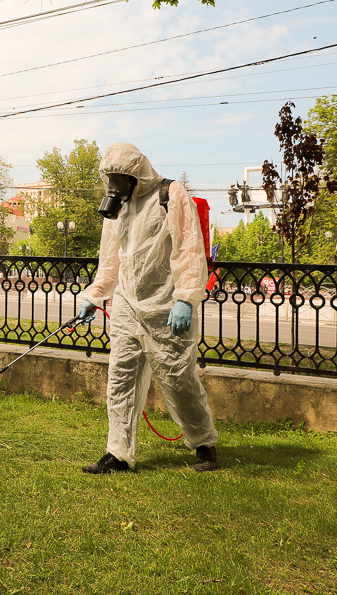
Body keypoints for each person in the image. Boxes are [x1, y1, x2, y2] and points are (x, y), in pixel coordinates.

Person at [78, 142, 219, 474]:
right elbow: (110, 257)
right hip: (127, 303)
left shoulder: (170, 194)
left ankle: (204, 444)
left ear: (135, 174)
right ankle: (118, 453)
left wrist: (185, 297)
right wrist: (94, 296)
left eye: (119, 178)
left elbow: (189, 246)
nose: (114, 185)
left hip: (165, 304)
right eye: (109, 178)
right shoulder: (118, 208)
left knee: (177, 377)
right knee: (121, 378)